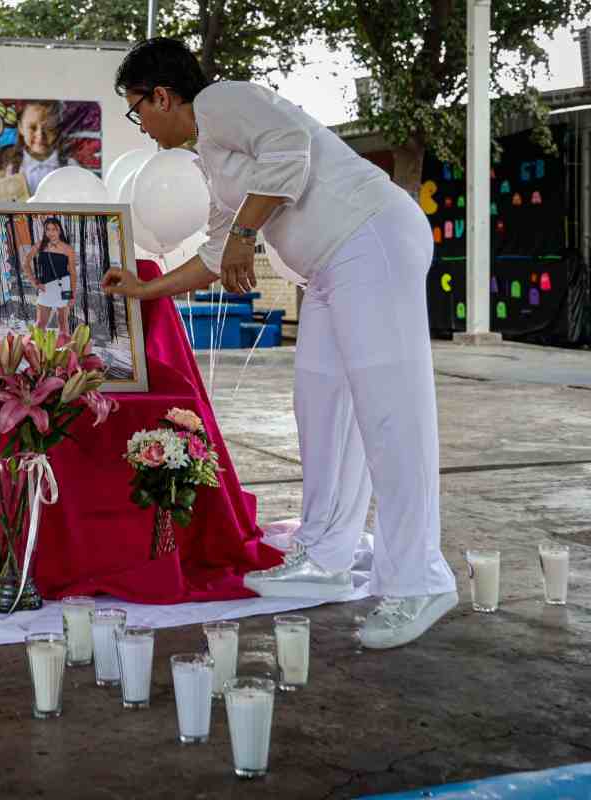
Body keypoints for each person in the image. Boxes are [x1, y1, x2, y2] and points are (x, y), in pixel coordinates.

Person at [102, 37, 457, 650]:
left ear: (161, 95)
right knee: (320, 407)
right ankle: (324, 554)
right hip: (327, 270)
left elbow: (290, 147)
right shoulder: (210, 158)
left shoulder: (222, 101)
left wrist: (246, 233)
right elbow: (217, 252)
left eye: (137, 110)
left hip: (370, 239)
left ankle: (419, 578)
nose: (143, 126)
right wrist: (145, 289)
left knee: (390, 412)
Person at [0, 100, 68, 196]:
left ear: (58, 128)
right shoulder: (9, 172)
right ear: (20, 127)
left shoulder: (71, 168)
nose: (40, 136)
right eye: (32, 127)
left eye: (49, 128)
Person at [23, 217, 79, 336]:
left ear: (59, 230)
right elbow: (25, 264)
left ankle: (63, 347)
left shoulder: (68, 249)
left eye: (54, 229)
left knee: (63, 324)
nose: (51, 232)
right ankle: (37, 347)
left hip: (64, 286)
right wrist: (34, 282)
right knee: (40, 325)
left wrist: (73, 295)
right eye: (48, 229)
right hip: (46, 287)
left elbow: (73, 274)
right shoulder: (40, 245)